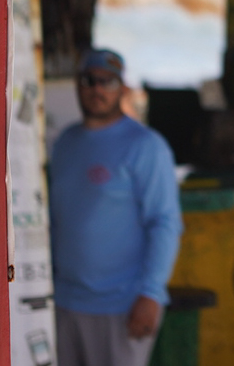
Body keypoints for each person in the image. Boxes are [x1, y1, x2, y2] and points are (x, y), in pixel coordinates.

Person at [50, 49, 183, 366]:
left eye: (107, 82)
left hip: (123, 304)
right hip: (65, 302)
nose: (97, 89)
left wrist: (151, 294)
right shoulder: (64, 143)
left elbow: (165, 223)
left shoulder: (146, 146)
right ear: (77, 85)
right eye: (89, 80)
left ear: (121, 88)